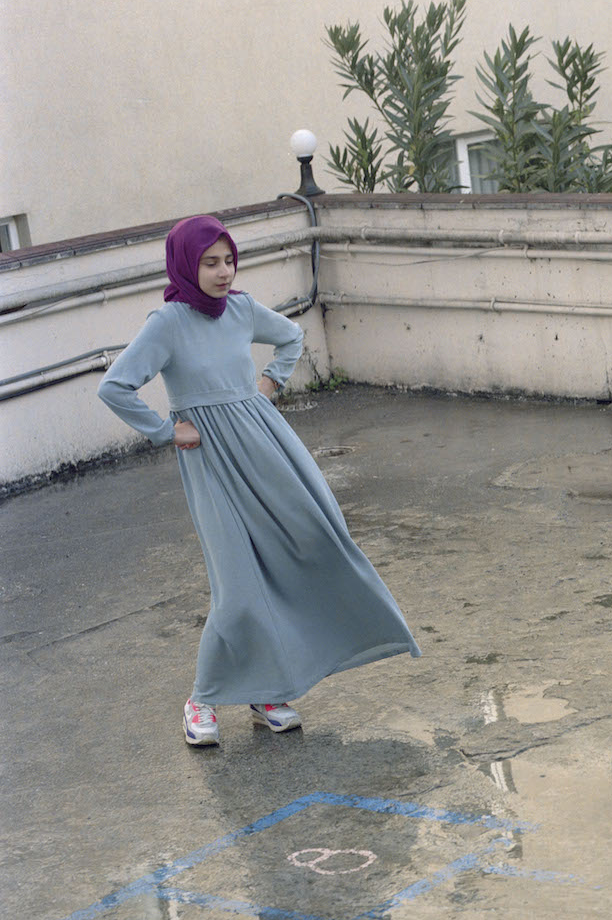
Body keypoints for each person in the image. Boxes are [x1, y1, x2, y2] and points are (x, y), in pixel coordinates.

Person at [99, 215, 419, 746]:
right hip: (211, 459)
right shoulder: (168, 323)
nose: (224, 272)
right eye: (210, 262)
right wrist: (164, 430)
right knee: (240, 585)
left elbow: (291, 336)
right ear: (185, 264)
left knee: (313, 540)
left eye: (229, 260)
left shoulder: (242, 309)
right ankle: (202, 699)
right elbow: (116, 386)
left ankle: (267, 691)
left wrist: (267, 385)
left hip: (267, 447)